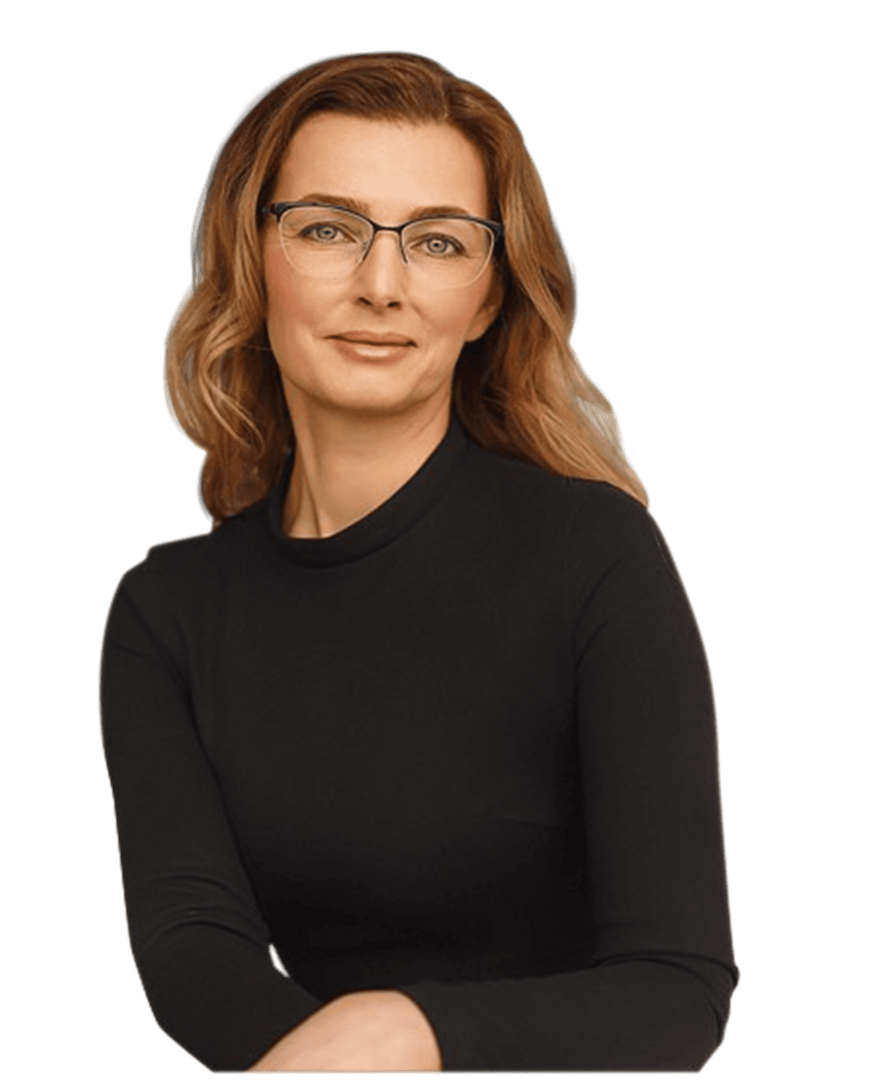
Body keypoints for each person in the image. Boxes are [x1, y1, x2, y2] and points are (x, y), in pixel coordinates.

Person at [98, 50, 740, 1074]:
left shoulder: (597, 556)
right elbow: (194, 952)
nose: (381, 285)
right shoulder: (164, 612)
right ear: (250, 260)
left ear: (486, 299)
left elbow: (677, 993)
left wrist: (404, 1029)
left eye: (438, 241)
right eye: (327, 228)